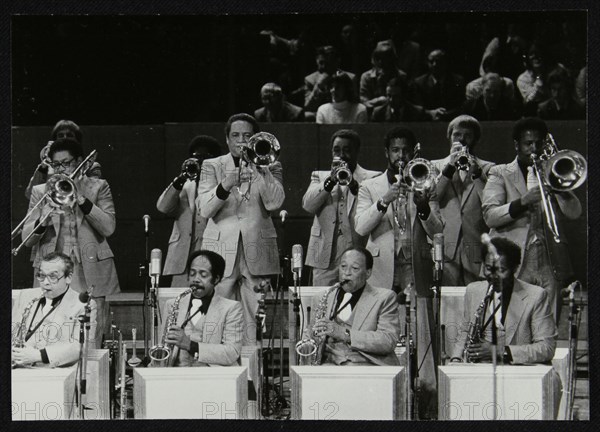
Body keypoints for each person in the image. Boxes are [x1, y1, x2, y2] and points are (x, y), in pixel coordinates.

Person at [354, 127, 443, 418]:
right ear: (386, 153)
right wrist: (385, 200)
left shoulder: (426, 179)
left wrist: (423, 207)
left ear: (413, 152)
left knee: (421, 334)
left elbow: (437, 229)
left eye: (405, 150)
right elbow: (361, 227)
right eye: (395, 150)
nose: (401, 156)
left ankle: (426, 402)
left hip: (414, 267)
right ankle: (381, 399)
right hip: (381, 270)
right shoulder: (371, 186)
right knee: (380, 332)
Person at [482, 117, 582, 322]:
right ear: (517, 146)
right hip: (514, 260)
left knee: (548, 323)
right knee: (513, 323)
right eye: (528, 144)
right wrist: (522, 202)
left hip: (549, 259)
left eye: (539, 143)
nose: (534, 149)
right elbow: (490, 216)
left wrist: (559, 188)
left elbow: (574, 213)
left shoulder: (552, 173)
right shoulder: (500, 173)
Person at [22, 138, 119, 348]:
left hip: (89, 270)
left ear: (80, 162)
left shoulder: (99, 186)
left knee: (91, 339)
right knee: (50, 334)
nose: (61, 169)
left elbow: (109, 227)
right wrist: (43, 220)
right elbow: (27, 240)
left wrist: (82, 200)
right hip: (52, 270)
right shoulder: (41, 191)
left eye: (66, 163)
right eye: (56, 164)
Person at [448, 237, 560, 418]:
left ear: (515, 269)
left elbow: (546, 348)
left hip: (519, 370)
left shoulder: (536, 296)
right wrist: (455, 361)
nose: (493, 276)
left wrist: (501, 351)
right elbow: (465, 332)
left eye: (501, 270)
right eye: (488, 269)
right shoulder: (473, 290)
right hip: (481, 369)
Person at [197, 113, 284, 345]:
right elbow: (204, 209)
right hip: (220, 251)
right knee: (216, 315)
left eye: (247, 136)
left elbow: (275, 203)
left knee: (255, 321)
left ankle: (252, 377)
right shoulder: (211, 166)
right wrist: (226, 183)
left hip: (257, 250)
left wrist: (261, 169)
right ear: (227, 139)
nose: (241, 141)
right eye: (235, 135)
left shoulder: (271, 164)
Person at [303, 129, 380, 286]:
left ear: (357, 151)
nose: (342, 155)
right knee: (323, 303)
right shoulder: (319, 176)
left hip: (357, 251)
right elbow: (308, 206)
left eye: (347, 150)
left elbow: (373, 212)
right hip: (324, 255)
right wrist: (329, 182)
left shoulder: (373, 177)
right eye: (337, 150)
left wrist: (354, 186)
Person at [307, 248, 401, 366]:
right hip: (329, 365)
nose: (347, 273)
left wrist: (344, 334)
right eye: (343, 267)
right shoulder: (322, 297)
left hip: (367, 366)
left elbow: (388, 340)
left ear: (368, 273)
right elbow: (310, 335)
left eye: (355, 268)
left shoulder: (385, 298)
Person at [431, 115, 494, 286]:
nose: (462, 140)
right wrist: (449, 167)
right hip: (445, 247)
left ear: (476, 140)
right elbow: (432, 197)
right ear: (449, 137)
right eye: (457, 135)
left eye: (468, 135)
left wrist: (477, 174)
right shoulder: (434, 167)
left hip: (476, 248)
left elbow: (490, 201)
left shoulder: (489, 168)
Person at [156, 135, 222, 287]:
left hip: (212, 249)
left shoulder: (222, 184)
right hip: (184, 254)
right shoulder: (184, 184)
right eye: (196, 157)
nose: (200, 161)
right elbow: (162, 207)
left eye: (205, 157)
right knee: (180, 303)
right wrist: (180, 179)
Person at [12, 252, 97, 368]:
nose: (45, 282)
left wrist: (39, 355)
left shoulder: (84, 305)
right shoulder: (25, 296)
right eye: (41, 276)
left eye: (53, 277)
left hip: (54, 373)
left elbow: (80, 346)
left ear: (68, 278)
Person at [162, 250, 243, 366]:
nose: (196, 279)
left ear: (216, 279)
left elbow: (232, 352)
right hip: (177, 374)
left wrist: (190, 345)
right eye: (192, 274)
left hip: (213, 377)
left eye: (203, 275)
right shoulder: (172, 305)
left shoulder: (232, 308)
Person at [25, 119, 101, 200]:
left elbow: (93, 194)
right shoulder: (47, 167)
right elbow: (30, 195)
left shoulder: (91, 166)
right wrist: (44, 166)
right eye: (60, 136)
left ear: (77, 141)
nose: (65, 138)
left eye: (69, 135)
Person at [408, 49, 465, 121]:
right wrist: (431, 113)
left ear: (445, 62)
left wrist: (445, 114)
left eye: (438, 61)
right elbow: (418, 108)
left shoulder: (458, 81)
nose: (435, 64)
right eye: (431, 62)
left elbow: (461, 106)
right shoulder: (419, 83)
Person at [304, 45, 356, 117]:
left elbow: (355, 102)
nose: (324, 67)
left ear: (337, 61)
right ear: (316, 61)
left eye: (328, 63)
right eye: (321, 63)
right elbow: (308, 107)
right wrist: (319, 87)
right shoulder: (310, 80)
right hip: (321, 115)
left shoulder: (350, 77)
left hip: (344, 113)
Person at [359, 40, 408, 112]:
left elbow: (406, 102)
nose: (381, 62)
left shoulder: (402, 76)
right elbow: (363, 102)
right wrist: (379, 100)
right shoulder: (366, 77)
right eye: (378, 58)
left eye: (386, 58)